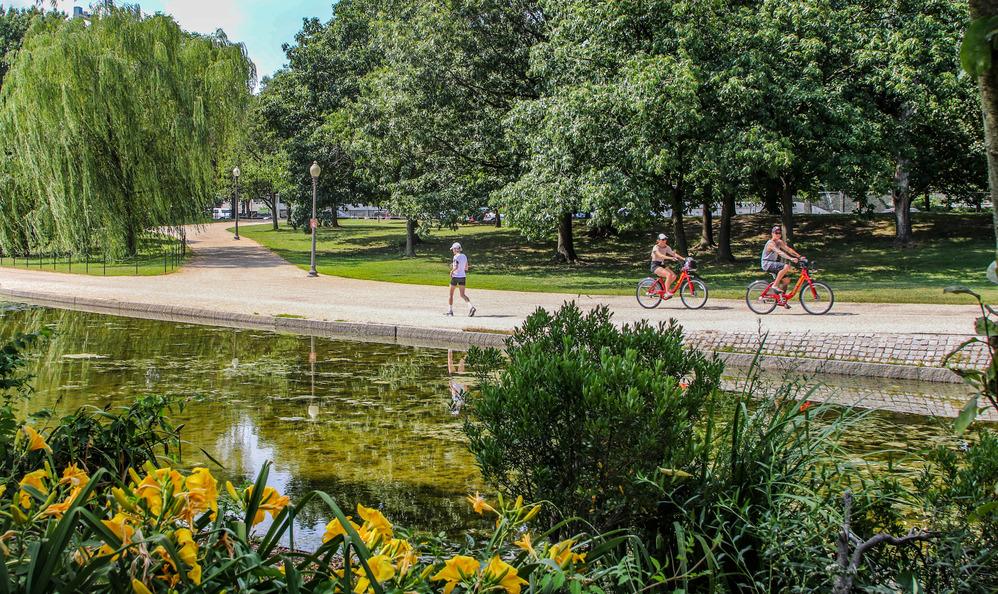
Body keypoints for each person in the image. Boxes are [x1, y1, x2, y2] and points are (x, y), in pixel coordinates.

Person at [760, 225, 802, 308]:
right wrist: (791, 259)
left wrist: (799, 256)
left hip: (773, 263)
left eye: (779, 233)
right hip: (767, 263)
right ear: (772, 234)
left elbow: (788, 249)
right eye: (776, 233)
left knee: (786, 281)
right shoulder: (770, 243)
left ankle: (781, 300)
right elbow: (780, 252)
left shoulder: (779, 242)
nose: (778, 235)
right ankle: (775, 285)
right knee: (786, 266)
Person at [649, 233, 685, 299]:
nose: (664, 241)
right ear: (658, 240)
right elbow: (660, 255)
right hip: (655, 265)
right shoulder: (655, 247)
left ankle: (665, 289)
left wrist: (684, 259)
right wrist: (670, 258)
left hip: (662, 264)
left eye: (665, 239)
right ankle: (666, 292)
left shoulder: (667, 247)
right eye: (662, 239)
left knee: (674, 276)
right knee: (668, 275)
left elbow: (673, 254)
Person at [446, 242, 476, 317]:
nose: (452, 250)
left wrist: (451, 271)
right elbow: (466, 268)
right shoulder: (464, 256)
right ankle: (471, 307)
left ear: (456, 249)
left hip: (455, 277)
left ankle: (450, 311)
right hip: (463, 277)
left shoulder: (456, 257)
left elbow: (455, 267)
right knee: (462, 295)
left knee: (451, 294)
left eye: (453, 249)